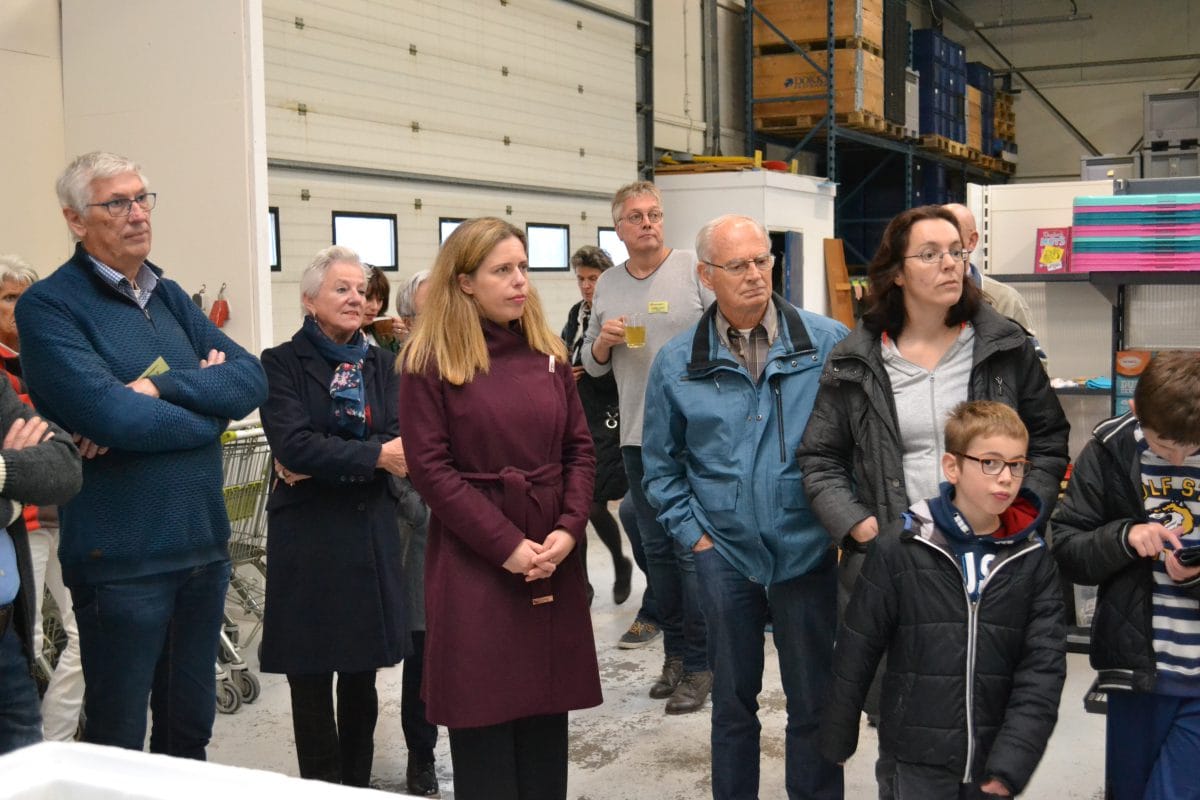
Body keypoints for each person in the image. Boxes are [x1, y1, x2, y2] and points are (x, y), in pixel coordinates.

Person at [797, 205, 1069, 798]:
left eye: (956, 252)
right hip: (899, 567)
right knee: (904, 723)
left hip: (990, 564)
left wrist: (1023, 514)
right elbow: (819, 459)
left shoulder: (1003, 346)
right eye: (930, 254)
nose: (949, 264)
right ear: (896, 272)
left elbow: (1049, 440)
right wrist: (863, 529)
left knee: (987, 707)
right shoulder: (856, 358)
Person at [16, 151, 268, 757]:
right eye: (117, 203)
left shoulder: (169, 295)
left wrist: (159, 387)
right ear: (76, 219)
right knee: (118, 742)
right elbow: (112, 416)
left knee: (190, 732)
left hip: (202, 547)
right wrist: (209, 407)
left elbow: (252, 379)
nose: (137, 214)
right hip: (120, 560)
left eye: (141, 198)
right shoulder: (49, 307)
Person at [642, 215, 848, 799]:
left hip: (807, 548)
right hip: (723, 553)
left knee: (814, 700)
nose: (756, 274)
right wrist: (697, 539)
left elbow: (858, 446)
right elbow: (660, 466)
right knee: (732, 703)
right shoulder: (677, 362)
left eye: (762, 260)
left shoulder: (828, 344)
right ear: (707, 276)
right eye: (738, 265)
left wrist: (838, 527)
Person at [399, 217, 602, 800]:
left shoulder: (548, 354)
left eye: (523, 268)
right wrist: (507, 546)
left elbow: (579, 451)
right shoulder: (429, 362)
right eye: (503, 270)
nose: (520, 281)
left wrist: (569, 529)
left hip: (551, 556)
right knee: (484, 722)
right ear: (464, 281)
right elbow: (432, 471)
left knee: (544, 724)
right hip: (477, 562)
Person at [821, 401, 1066, 798]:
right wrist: (838, 732)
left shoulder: (1033, 559)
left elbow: (1043, 668)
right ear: (952, 467)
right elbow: (858, 645)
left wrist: (1014, 759)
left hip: (991, 759)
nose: (1006, 478)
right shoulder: (902, 547)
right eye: (990, 462)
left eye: (1017, 465)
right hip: (914, 755)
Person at [258, 245, 408, 786]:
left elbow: (399, 438)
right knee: (310, 678)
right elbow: (294, 444)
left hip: (368, 533)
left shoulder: (381, 364)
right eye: (341, 288)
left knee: (362, 679)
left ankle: (357, 785)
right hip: (309, 540)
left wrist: (332, 457)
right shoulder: (280, 363)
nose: (355, 298)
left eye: (361, 290)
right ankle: (320, 788)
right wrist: (373, 456)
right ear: (309, 300)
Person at [582, 180, 714, 713]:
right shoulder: (608, 284)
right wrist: (602, 343)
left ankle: (702, 664)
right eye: (635, 216)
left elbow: (726, 334)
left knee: (691, 552)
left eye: (654, 214)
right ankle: (676, 656)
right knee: (657, 554)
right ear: (618, 228)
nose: (647, 223)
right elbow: (591, 366)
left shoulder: (693, 270)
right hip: (638, 437)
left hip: (695, 436)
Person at [1050, 351, 1200, 800]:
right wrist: (1125, 537)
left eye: (1191, 447)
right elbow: (1067, 547)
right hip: (1135, 669)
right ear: (1135, 410)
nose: (1178, 457)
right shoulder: (1109, 448)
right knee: (1129, 790)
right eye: (1164, 446)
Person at [0, 255, 85, 742]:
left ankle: (54, 741)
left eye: (26, 296)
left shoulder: (46, 359)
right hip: (21, 529)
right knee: (26, 642)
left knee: (83, 635)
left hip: (60, 514)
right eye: (9, 297)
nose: (20, 307)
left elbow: (58, 453)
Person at [0, 379, 82, 755]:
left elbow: (64, 464)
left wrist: (4, 469)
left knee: (74, 636)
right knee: (36, 640)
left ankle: (56, 742)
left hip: (7, 640)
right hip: (31, 528)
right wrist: (12, 503)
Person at [562, 245, 633, 606]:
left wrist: (590, 368)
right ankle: (583, 585)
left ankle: (621, 562)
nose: (587, 286)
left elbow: (626, 365)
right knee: (574, 505)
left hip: (610, 414)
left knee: (591, 503)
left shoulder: (619, 313)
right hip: (577, 411)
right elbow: (565, 349)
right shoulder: (577, 313)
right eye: (581, 279)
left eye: (593, 278)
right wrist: (566, 369)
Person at [392, 267, 440, 797]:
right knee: (422, 653)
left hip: (478, 531)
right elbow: (389, 449)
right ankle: (421, 756)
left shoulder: (474, 362)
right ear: (407, 320)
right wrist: (419, 508)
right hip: (424, 531)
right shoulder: (398, 374)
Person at [941, 204, 1047, 368]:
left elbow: (1036, 368)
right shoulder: (919, 297)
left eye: (953, 233)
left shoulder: (1005, 300)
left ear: (971, 241)